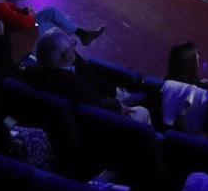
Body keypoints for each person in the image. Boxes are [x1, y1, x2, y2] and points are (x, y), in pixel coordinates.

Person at [21, 28, 149, 124]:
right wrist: (119, 107)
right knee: (143, 111)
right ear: (64, 56)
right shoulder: (72, 83)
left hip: (70, 119)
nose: (74, 46)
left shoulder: (31, 72)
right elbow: (97, 104)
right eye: (72, 46)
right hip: (97, 119)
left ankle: (117, 93)